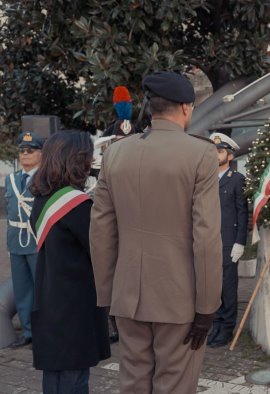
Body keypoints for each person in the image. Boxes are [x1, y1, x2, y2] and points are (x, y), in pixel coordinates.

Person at [90, 71, 223, 394]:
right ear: (186, 107)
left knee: (133, 383)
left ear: (151, 108)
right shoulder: (200, 153)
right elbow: (205, 237)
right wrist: (207, 306)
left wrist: (107, 297)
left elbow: (101, 230)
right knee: (175, 385)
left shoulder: (116, 153)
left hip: (127, 295)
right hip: (179, 298)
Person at [28, 131, 111, 393]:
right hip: (74, 305)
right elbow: (103, 249)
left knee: (54, 376)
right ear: (76, 160)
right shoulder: (76, 205)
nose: (91, 161)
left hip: (50, 298)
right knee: (74, 379)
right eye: (88, 156)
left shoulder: (42, 199)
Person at [207, 132, 249, 348]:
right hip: (209, 242)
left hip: (228, 241)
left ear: (230, 156)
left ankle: (227, 328)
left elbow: (243, 213)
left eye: (220, 151)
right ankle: (216, 325)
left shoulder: (237, 181)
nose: (216, 154)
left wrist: (241, 242)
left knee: (228, 286)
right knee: (212, 287)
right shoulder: (205, 179)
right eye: (214, 150)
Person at [4, 131, 43, 348]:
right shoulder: (11, 180)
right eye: (22, 151)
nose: (25, 154)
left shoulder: (45, 179)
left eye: (31, 150)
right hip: (16, 242)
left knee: (41, 288)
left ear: (41, 153)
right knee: (22, 289)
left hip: (37, 240)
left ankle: (44, 330)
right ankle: (28, 331)